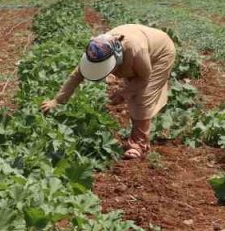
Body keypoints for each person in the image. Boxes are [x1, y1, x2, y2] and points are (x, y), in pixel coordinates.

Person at [40, 24, 176, 159]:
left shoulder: (136, 51)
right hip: (138, 51)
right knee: (133, 92)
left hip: (161, 54)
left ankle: (138, 145)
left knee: (143, 96)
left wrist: (124, 93)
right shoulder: (96, 49)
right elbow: (77, 75)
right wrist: (57, 100)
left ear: (116, 57)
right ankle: (139, 127)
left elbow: (144, 79)